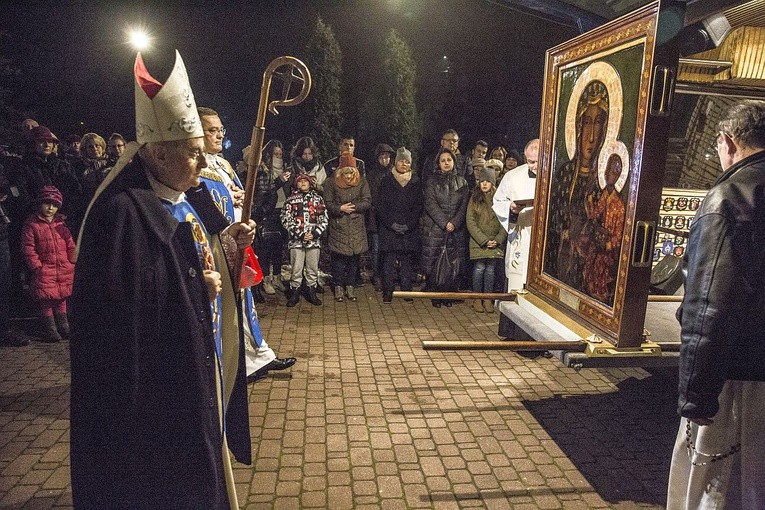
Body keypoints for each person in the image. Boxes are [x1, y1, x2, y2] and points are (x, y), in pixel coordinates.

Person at [69, 50, 254, 509]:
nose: (201, 164)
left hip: (195, 364)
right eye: (193, 154)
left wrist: (227, 241)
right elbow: (117, 319)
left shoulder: (177, 191)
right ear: (156, 151)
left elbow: (196, 248)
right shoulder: (121, 214)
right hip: (156, 392)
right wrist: (195, 288)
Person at [667, 100, 765, 509]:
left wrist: (696, 395)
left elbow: (711, 306)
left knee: (714, 484)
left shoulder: (727, 199)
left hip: (739, 373)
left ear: (727, 141)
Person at [197, 107, 296, 381]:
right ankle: (232, 362)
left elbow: (236, 192)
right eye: (211, 130)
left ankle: (257, 357)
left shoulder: (223, 164)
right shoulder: (195, 165)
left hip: (236, 241)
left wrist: (239, 198)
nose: (218, 135)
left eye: (220, 130)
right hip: (215, 244)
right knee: (226, 306)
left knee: (243, 303)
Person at [546, 80, 609, 290]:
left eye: (599, 123)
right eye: (587, 123)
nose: (591, 137)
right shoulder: (564, 173)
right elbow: (554, 213)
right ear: (578, 126)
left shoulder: (604, 179)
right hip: (563, 252)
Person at [21, 186, 75, 342]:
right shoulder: (32, 224)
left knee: (61, 297)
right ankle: (50, 328)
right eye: (47, 203)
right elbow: (28, 248)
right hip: (45, 268)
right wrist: (36, 266)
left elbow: (70, 243)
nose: (50, 208)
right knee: (46, 300)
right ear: (40, 204)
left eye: (54, 204)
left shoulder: (61, 223)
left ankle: (63, 325)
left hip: (63, 268)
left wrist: (72, 260)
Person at [420, 147, 469, 308]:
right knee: (435, 261)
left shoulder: (462, 182)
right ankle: (435, 295)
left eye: (449, 160)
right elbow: (430, 204)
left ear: (454, 162)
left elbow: (464, 206)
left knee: (452, 262)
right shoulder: (431, 181)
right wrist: (444, 223)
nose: (446, 163)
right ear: (438, 163)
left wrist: (454, 222)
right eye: (443, 160)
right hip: (435, 228)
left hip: (455, 229)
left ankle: (448, 295)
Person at [376, 147, 423, 304]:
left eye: (407, 161)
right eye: (401, 161)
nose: (404, 164)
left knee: (406, 262)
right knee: (388, 261)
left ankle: (406, 290)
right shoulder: (387, 180)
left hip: (409, 229)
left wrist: (409, 225)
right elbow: (380, 205)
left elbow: (418, 206)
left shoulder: (416, 181)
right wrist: (391, 224)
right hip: (389, 228)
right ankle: (388, 291)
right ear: (395, 162)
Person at [324, 152, 371, 303]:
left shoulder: (362, 182)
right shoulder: (331, 183)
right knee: (338, 259)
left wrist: (355, 207)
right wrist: (340, 208)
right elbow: (328, 203)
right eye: (346, 172)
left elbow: (367, 200)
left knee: (353, 259)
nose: (349, 176)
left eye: (351, 172)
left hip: (356, 225)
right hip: (339, 225)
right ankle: (338, 286)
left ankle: (350, 286)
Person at [493, 139, 539, 292]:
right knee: (516, 285)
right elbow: (498, 201)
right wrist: (511, 209)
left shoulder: (554, 177)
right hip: (521, 234)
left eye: (538, 161)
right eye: (531, 162)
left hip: (543, 239)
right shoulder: (513, 176)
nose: (535, 166)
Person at [281, 174, 327, 307]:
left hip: (313, 240)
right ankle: (294, 292)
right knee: (296, 267)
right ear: (296, 184)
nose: (302, 183)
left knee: (312, 267)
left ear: (310, 183)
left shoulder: (318, 199)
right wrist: (300, 234)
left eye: (305, 181)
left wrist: (315, 233)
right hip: (296, 241)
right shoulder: (291, 200)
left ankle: (312, 291)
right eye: (300, 181)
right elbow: (286, 218)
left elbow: (324, 218)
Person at [251, 140, 290, 295]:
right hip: (268, 212)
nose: (278, 157)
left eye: (280, 154)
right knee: (266, 247)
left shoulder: (287, 168)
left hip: (282, 208)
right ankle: (266, 279)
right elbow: (266, 191)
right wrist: (279, 180)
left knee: (278, 248)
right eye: (275, 154)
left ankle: (277, 277)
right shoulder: (263, 171)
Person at [467, 167, 506, 313]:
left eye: (487, 181)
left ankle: (487, 299)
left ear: (493, 182)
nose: (484, 184)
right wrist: (483, 240)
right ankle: (477, 298)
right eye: (482, 181)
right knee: (479, 269)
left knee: (490, 270)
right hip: (479, 243)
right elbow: (470, 221)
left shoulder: (499, 198)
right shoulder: (474, 198)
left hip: (495, 241)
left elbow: (504, 221)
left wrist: (498, 239)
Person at [367, 143, 395, 291]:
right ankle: (377, 275)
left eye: (387, 157)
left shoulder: (394, 172)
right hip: (376, 217)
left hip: (391, 218)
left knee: (389, 248)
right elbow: (371, 195)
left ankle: (387, 275)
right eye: (382, 157)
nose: (385, 159)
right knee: (376, 248)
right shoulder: (372, 174)